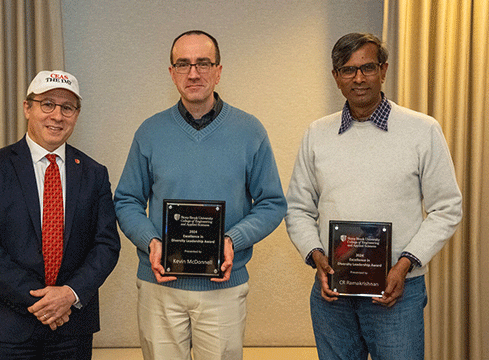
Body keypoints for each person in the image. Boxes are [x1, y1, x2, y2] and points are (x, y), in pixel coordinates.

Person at [285, 33, 462, 360]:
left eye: (367, 68)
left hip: (397, 293)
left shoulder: (422, 130)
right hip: (333, 298)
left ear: (384, 70)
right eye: (348, 70)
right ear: (336, 77)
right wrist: (316, 256)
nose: (359, 78)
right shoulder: (316, 134)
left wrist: (405, 264)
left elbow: (447, 208)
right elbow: (297, 209)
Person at [114, 30, 286, 360]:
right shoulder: (149, 132)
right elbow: (127, 200)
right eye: (183, 64)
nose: (194, 73)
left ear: (219, 70)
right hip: (159, 285)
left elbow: (272, 203)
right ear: (172, 73)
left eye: (203, 63)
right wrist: (151, 241)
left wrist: (232, 239)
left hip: (223, 285)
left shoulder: (250, 131)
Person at [0, 70, 121, 360]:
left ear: (76, 114)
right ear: (27, 107)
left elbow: (107, 245)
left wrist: (69, 294)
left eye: (67, 108)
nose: (57, 116)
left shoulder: (94, 173)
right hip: (3, 329)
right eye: (47, 104)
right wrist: (44, 301)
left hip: (71, 330)